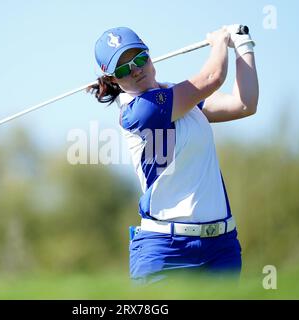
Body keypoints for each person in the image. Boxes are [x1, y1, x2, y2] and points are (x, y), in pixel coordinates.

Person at [89, 25, 258, 284]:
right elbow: (212, 77)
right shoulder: (138, 112)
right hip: (166, 250)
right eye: (123, 68)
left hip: (222, 248)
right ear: (113, 80)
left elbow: (244, 104)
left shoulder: (177, 96)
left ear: (149, 54)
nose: (135, 70)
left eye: (139, 58)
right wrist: (220, 41)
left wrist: (243, 44)